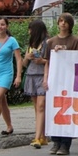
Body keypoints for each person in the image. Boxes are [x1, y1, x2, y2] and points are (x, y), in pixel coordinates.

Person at [43, 13, 78, 155]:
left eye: (66, 22)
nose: (63, 24)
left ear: (70, 24)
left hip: (69, 80)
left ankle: (66, 144)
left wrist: (66, 53)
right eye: (61, 21)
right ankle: (56, 141)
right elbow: (47, 62)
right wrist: (45, 78)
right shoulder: (51, 41)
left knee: (67, 110)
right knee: (55, 110)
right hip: (55, 80)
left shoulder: (75, 41)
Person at [23, 19, 49, 148]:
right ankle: (42, 135)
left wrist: (42, 61)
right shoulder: (31, 44)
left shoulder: (46, 43)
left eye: (30, 29)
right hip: (31, 75)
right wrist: (27, 57)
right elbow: (23, 64)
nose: (29, 32)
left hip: (42, 76)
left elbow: (50, 61)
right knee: (36, 107)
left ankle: (37, 137)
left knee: (41, 105)